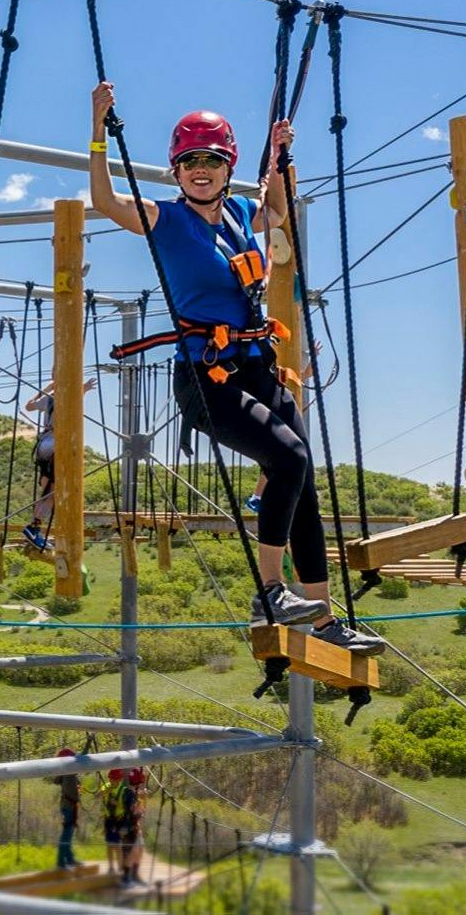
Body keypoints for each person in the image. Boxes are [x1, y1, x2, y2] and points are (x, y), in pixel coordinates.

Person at [88, 81, 384, 655]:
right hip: (207, 378)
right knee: (288, 457)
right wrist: (98, 131)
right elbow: (105, 200)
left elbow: (277, 210)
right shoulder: (164, 219)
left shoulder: (242, 212)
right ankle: (270, 592)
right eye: (190, 162)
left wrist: (280, 160)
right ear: (177, 171)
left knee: (302, 485)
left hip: (255, 368)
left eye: (212, 161)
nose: (200, 170)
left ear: (227, 168)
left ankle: (324, 620)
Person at [22, 378, 99, 551]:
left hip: (43, 445)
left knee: (46, 491)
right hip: (57, 443)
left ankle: (35, 526)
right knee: (53, 494)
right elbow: (71, 400)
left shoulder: (48, 398)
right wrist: (84, 389)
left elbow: (29, 406)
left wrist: (47, 388)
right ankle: (34, 527)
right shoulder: (69, 395)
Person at [52, 747, 81, 869]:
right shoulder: (69, 771)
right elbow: (83, 756)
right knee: (66, 836)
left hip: (68, 806)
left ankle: (69, 859)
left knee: (68, 834)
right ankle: (61, 863)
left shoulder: (64, 772)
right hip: (69, 807)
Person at [121, 767, 148, 887]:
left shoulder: (132, 793)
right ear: (139, 783)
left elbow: (140, 812)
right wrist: (144, 800)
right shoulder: (130, 795)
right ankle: (126, 878)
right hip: (128, 827)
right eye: (142, 783)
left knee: (139, 850)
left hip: (134, 826)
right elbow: (137, 812)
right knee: (131, 852)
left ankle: (135, 875)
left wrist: (142, 799)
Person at [100, 768, 126, 876]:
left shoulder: (123, 790)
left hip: (118, 820)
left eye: (113, 779)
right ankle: (111, 867)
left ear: (119, 780)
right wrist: (106, 791)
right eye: (110, 779)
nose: (111, 781)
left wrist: (117, 803)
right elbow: (98, 795)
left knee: (118, 846)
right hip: (108, 820)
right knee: (109, 845)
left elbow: (127, 807)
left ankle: (120, 868)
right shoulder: (106, 786)